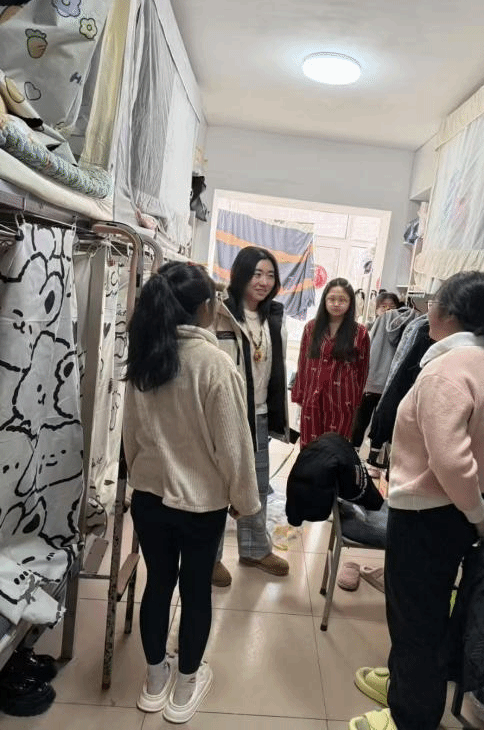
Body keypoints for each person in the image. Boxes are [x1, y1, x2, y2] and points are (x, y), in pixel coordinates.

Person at [350, 271, 484, 730]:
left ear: (450, 313)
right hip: (453, 514)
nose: (427, 310)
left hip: (430, 515)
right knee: (425, 613)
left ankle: (409, 716)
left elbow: (451, 462)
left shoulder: (448, 371)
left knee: (414, 622)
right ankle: (404, 684)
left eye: (433, 303)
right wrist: (476, 512)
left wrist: (477, 513)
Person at [123, 262, 261, 724]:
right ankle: (184, 688)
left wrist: (141, 478)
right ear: (206, 307)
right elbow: (234, 447)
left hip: (149, 499)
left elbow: (130, 436)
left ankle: (154, 681)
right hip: (201, 505)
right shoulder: (214, 364)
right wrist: (245, 501)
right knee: (196, 589)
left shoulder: (145, 357)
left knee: (158, 584)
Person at [212, 246, 290, 584]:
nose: (263, 281)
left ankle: (255, 550)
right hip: (225, 413)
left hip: (258, 414)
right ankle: (211, 557)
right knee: (219, 485)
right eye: (257, 273)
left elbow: (276, 368)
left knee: (257, 486)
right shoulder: (219, 312)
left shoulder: (274, 317)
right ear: (241, 274)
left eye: (270, 275)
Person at [291, 277, 370, 448]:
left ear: (350, 303)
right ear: (324, 301)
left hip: (342, 400)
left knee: (335, 449)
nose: (336, 304)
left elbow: (362, 370)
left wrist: (355, 401)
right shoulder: (311, 328)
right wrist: (300, 394)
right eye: (332, 299)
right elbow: (303, 363)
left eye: (342, 300)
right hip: (313, 397)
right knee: (310, 447)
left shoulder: (360, 333)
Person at [351, 302, 419, 452]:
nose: (386, 308)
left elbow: (371, 346)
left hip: (374, 378)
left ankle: (354, 451)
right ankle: (374, 456)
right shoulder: (416, 322)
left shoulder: (383, 319)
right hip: (395, 383)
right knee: (385, 420)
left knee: (362, 418)